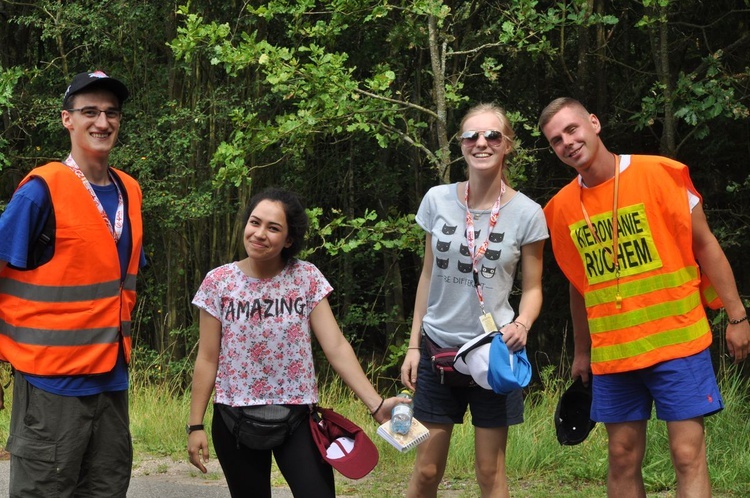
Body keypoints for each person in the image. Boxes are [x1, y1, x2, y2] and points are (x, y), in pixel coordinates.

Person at [540, 97, 750, 498]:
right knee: (621, 456)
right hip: (614, 353)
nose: (567, 142)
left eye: (572, 129)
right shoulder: (560, 209)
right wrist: (581, 353)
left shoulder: (660, 174)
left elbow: (706, 245)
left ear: (594, 123)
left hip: (677, 341)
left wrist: (737, 317)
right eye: (555, 140)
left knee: (687, 455)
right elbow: (577, 286)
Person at [186, 187, 403, 498]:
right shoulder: (218, 282)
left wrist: (377, 405)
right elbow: (207, 359)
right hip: (235, 420)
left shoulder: (306, 278)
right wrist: (195, 426)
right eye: (254, 222)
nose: (259, 234)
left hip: (297, 416)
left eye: (273, 228)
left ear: (288, 239)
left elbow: (336, 346)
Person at [0, 70, 145, 497]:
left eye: (111, 113)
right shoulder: (41, 190)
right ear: (67, 119)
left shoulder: (130, 191)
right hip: (50, 383)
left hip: (111, 379)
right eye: (89, 112)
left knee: (106, 489)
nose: (102, 122)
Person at [400, 103, 548, 498]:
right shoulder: (437, 199)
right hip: (437, 351)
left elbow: (533, 288)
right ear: (461, 145)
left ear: (508, 145)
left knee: (490, 473)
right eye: (471, 136)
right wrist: (414, 345)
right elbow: (427, 276)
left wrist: (523, 324)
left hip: (492, 355)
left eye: (492, 136)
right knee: (427, 470)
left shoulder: (528, 213)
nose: (481, 142)